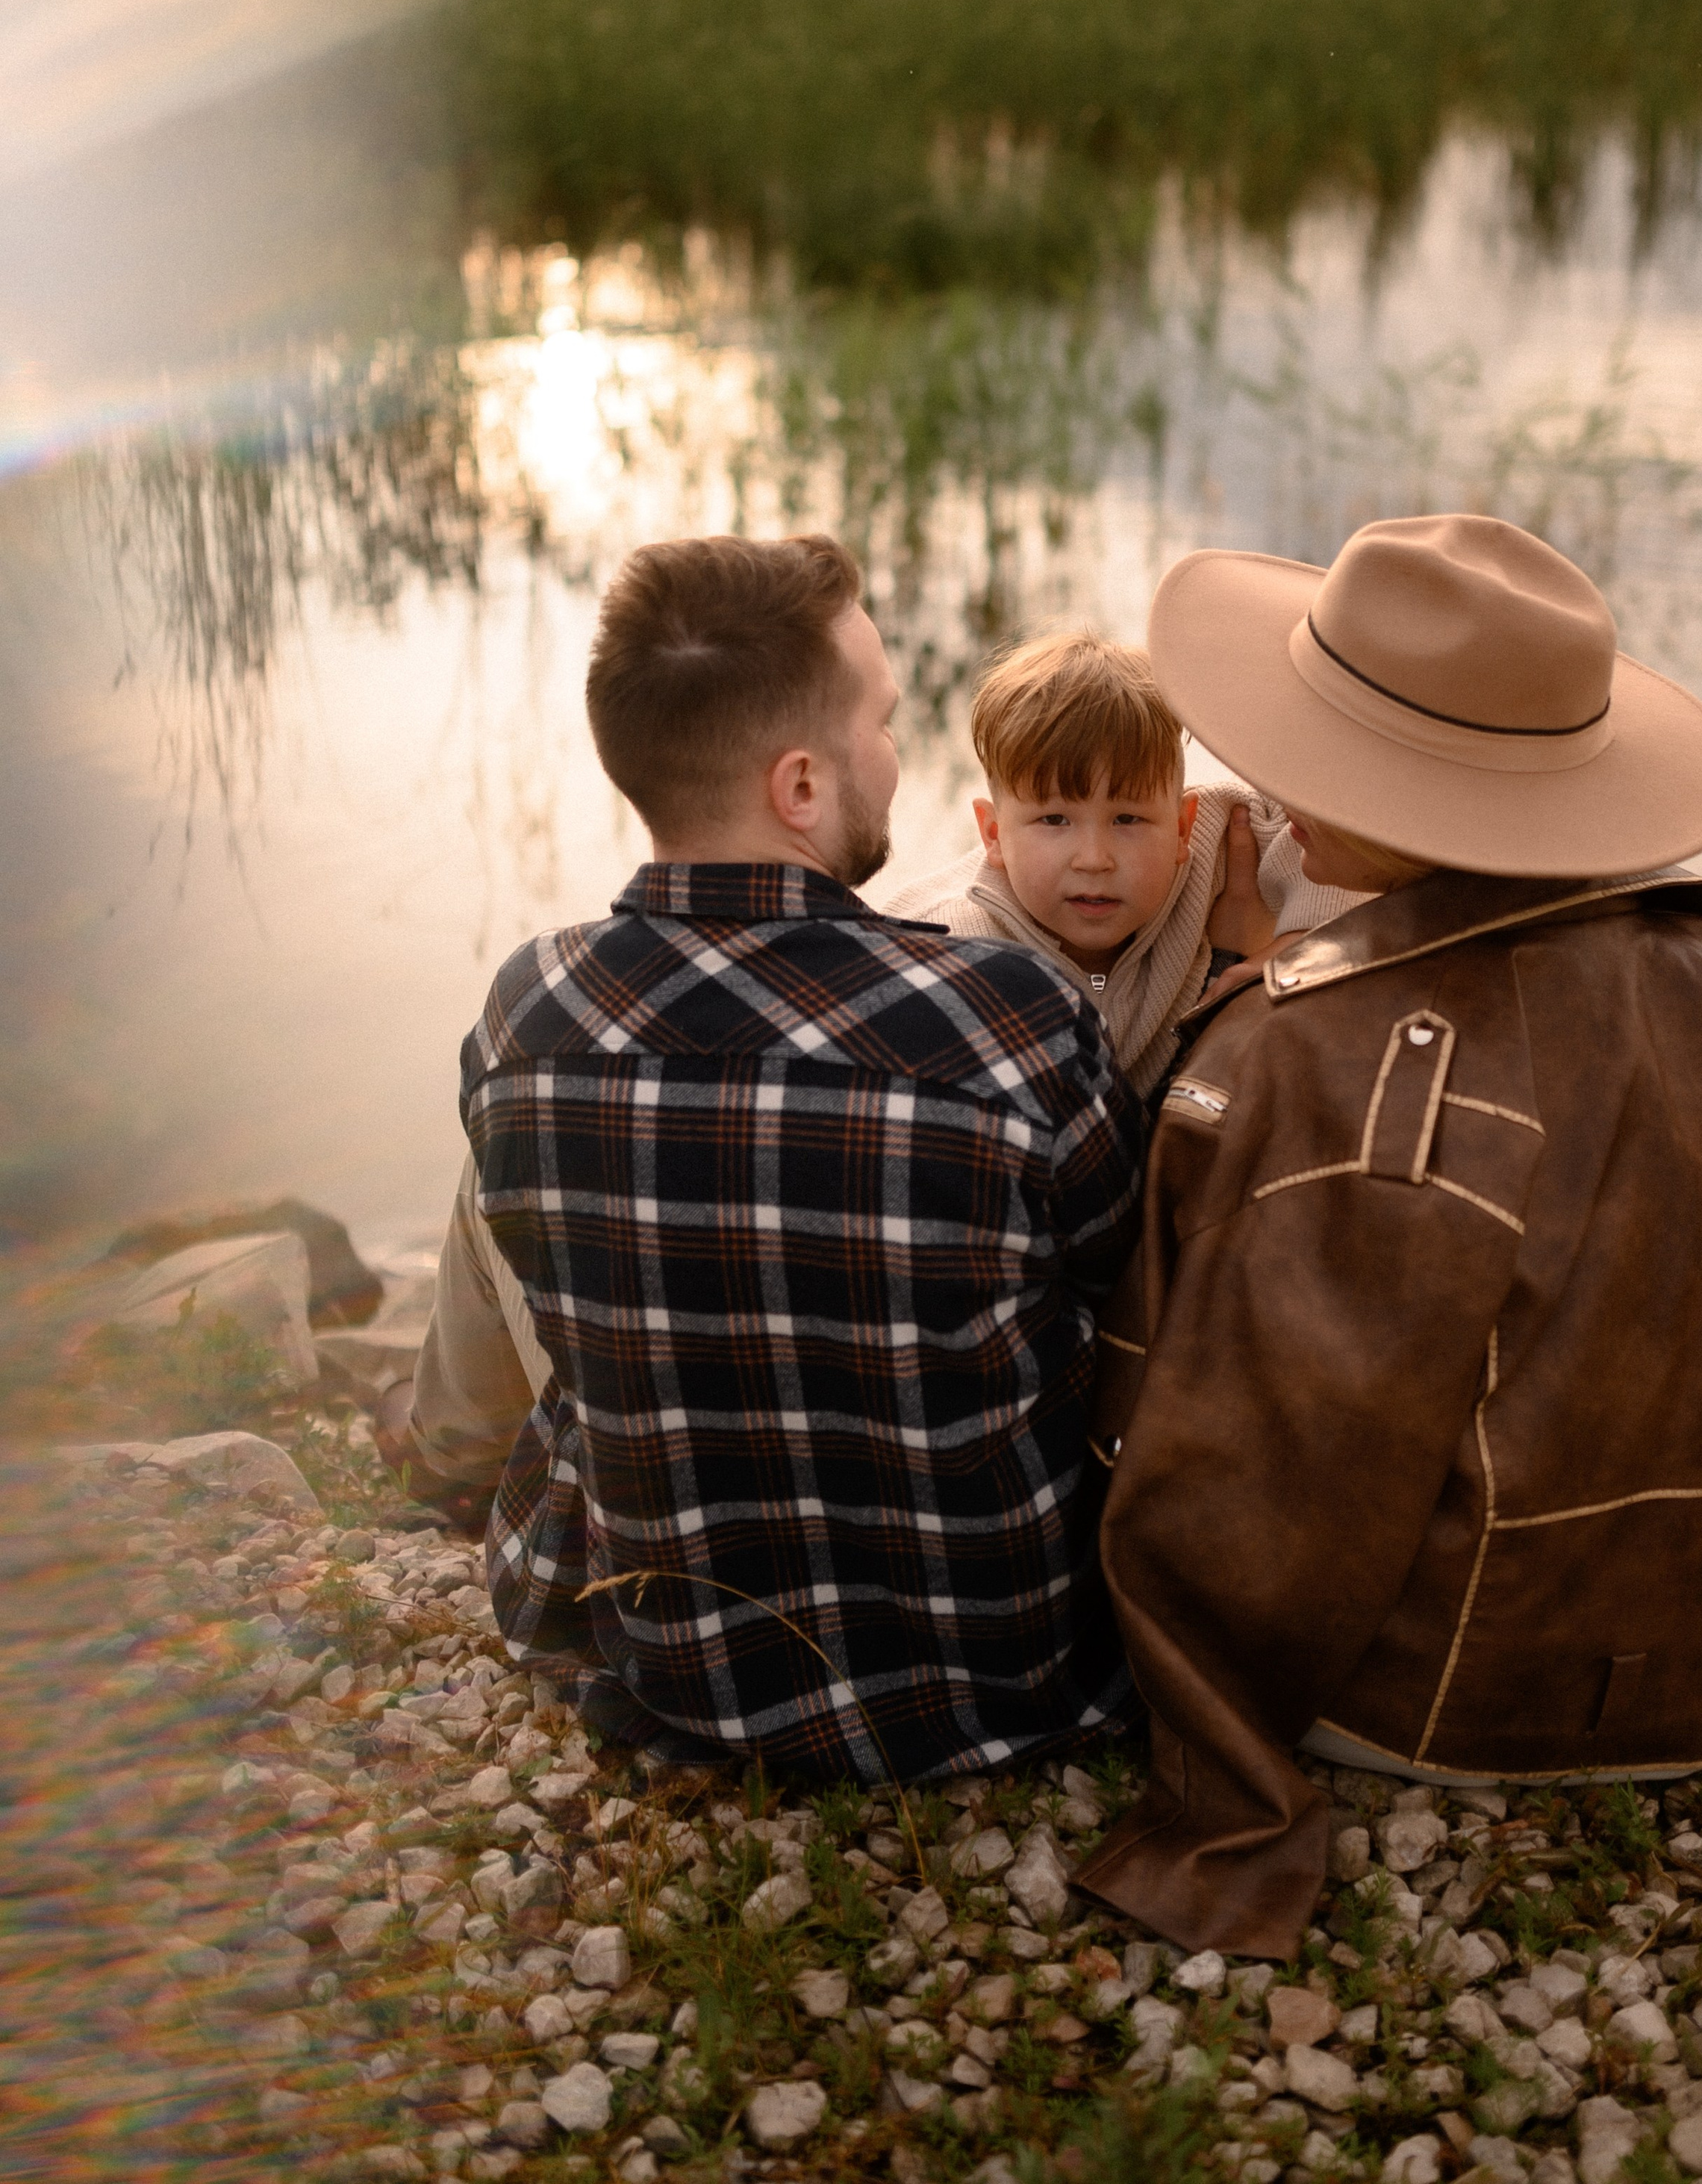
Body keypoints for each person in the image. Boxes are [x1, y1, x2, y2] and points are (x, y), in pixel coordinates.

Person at [1074, 512, 1702, 1955]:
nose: (1263, 800)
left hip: (1417, 1700)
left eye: (1297, 777)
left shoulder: (1313, 1053)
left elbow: (1244, 1473)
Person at [385, 531, 1147, 1779]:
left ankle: (446, 1451)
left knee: (522, 1189)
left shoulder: (533, 1006)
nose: (897, 760)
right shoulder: (1007, 1014)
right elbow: (1123, 1285)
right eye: (885, 724)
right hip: (1006, 1673)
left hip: (669, 1665)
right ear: (801, 785)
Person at [883, 628, 1371, 1093]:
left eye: (1128, 820)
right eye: (1054, 820)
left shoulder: (1216, 846)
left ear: (1182, 827)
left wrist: (1293, 945)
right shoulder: (944, 937)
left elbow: (1338, 840)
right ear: (993, 833)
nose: (1094, 860)